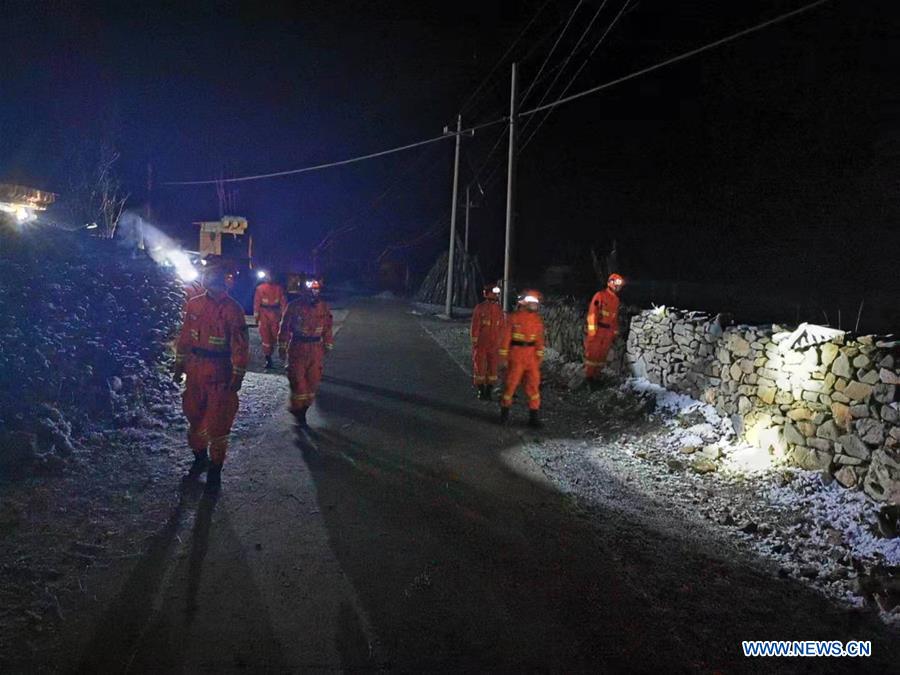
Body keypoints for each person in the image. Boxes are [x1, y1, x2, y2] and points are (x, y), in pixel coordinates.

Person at [174, 261, 249, 494]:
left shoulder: (232, 309)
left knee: (218, 423)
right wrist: (179, 365)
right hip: (196, 370)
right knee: (194, 415)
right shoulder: (194, 305)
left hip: (220, 372)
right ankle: (199, 457)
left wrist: (237, 374)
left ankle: (215, 470)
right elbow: (185, 337)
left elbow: (240, 345)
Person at [278, 278, 334, 427]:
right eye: (310, 289)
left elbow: (328, 327)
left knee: (313, 381)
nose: (313, 292)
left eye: (316, 289)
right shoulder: (294, 307)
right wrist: (282, 346)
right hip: (298, 347)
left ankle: (304, 408)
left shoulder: (323, 307)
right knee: (297, 381)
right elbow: (285, 328)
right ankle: (299, 411)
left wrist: (328, 343)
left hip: (316, 349)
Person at [499, 289, 545, 428]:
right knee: (510, 385)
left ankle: (533, 417)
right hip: (516, 355)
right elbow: (505, 338)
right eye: (532, 302)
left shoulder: (537, 320)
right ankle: (504, 414)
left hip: (531, 357)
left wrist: (539, 355)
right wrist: (503, 357)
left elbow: (539, 340)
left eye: (536, 303)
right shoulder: (514, 318)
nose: (535, 305)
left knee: (533, 386)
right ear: (525, 303)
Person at [583, 273, 625, 385]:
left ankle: (596, 377)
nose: (618, 287)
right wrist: (592, 331)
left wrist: (615, 333)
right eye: (616, 284)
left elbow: (614, 318)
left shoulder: (616, 300)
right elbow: (593, 313)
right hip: (598, 330)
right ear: (610, 283)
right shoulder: (600, 295)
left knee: (602, 356)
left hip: (607, 333)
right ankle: (589, 378)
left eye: (619, 285)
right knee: (593, 355)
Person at [470, 282, 505, 400]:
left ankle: (489, 390)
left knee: (493, 368)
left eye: (497, 293)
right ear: (487, 293)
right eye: (494, 293)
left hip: (494, 344)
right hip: (482, 343)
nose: (496, 295)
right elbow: (475, 325)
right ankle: (481, 389)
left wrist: (500, 341)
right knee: (480, 366)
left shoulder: (499, 309)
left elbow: (502, 327)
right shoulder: (480, 308)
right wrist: (475, 341)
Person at [253, 272, 287, 369]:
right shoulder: (260, 288)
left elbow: (283, 303)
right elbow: (256, 303)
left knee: (279, 338)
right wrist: (257, 317)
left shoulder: (278, 288)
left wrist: (284, 317)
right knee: (266, 339)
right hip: (266, 316)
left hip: (274, 316)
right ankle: (269, 359)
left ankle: (284, 359)